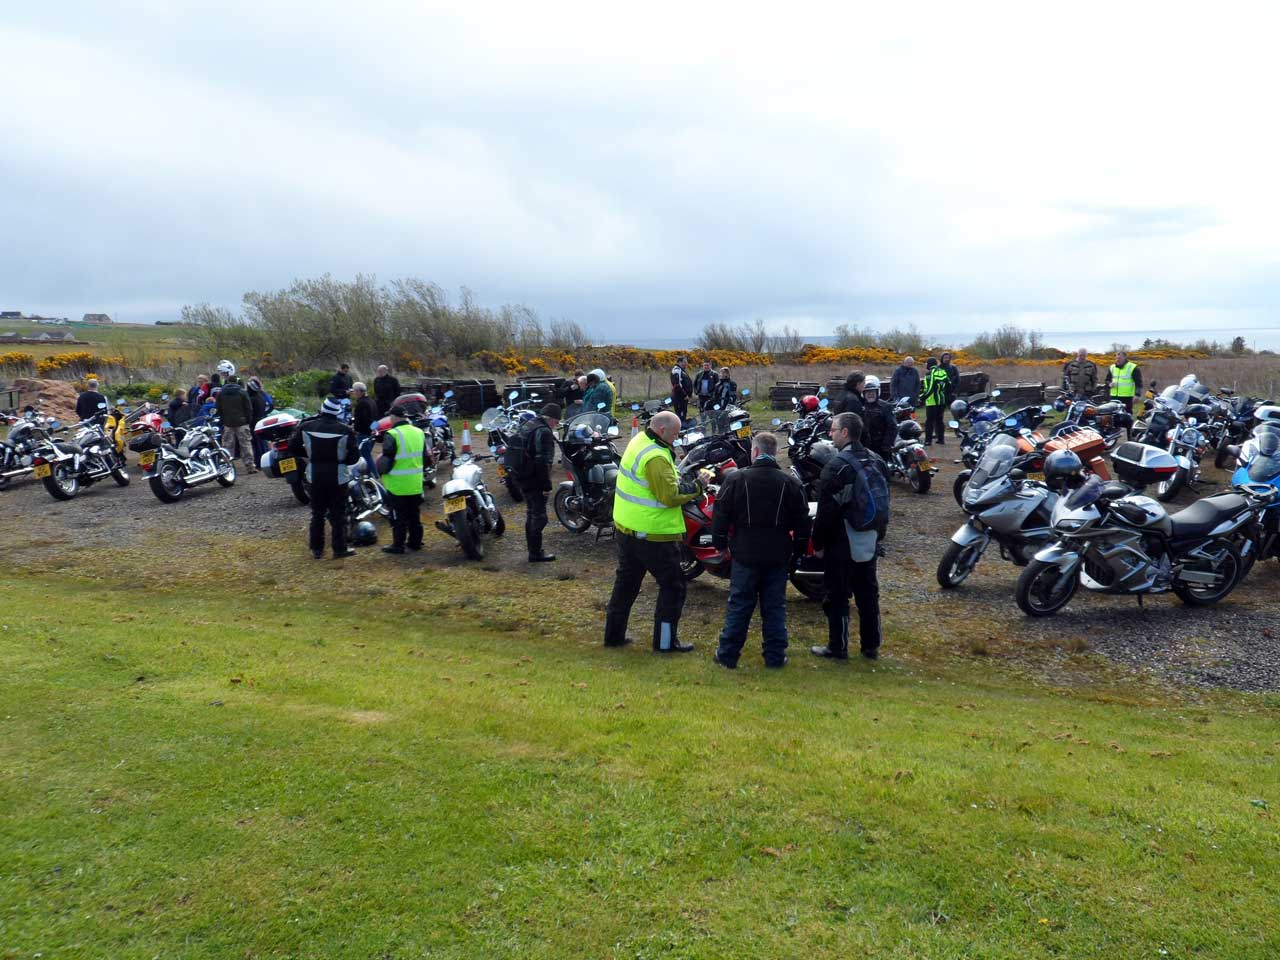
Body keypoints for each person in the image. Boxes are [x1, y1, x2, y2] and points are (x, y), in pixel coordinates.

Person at [604, 410, 709, 651]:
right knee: (673, 588)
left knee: (626, 585)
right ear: (662, 431)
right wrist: (698, 486)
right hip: (653, 535)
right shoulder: (657, 456)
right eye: (675, 433)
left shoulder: (640, 441)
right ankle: (665, 644)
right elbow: (670, 496)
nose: (677, 437)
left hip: (626, 528)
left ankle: (613, 637)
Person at [710, 432, 811, 669]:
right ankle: (774, 657)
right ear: (775, 453)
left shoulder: (736, 480)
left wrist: (720, 545)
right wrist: (797, 552)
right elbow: (803, 522)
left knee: (740, 604)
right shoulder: (790, 483)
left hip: (745, 553)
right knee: (774, 606)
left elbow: (720, 514)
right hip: (777, 553)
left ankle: (727, 655)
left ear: (754, 452)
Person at [810, 412, 889, 662]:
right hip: (870, 534)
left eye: (833, 430)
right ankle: (871, 646)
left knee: (837, 593)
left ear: (845, 432)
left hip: (842, 537)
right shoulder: (876, 460)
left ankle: (838, 647)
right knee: (868, 592)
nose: (830, 434)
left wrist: (818, 542)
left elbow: (826, 510)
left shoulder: (836, 466)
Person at [289, 397, 360, 559]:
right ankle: (339, 549)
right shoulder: (345, 430)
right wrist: (342, 461)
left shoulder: (306, 426)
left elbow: (292, 447)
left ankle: (317, 549)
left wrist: (309, 454)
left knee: (317, 513)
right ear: (338, 412)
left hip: (315, 474)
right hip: (338, 476)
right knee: (338, 514)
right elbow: (355, 457)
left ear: (322, 409)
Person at [514, 403, 561, 562]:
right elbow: (542, 462)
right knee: (539, 517)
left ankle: (533, 549)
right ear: (552, 419)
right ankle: (535, 553)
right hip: (534, 479)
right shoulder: (544, 432)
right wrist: (546, 486)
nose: (557, 425)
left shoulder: (529, 424)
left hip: (521, 475)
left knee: (531, 512)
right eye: (557, 422)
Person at [376, 404, 425, 554]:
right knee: (414, 514)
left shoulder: (393, 434)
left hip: (398, 484)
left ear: (394, 417)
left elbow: (387, 460)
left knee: (398, 517)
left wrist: (380, 470)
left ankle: (398, 545)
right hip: (415, 482)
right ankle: (415, 542)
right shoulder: (419, 432)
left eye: (390, 416)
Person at [215, 375, 257, 472]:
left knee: (227, 446)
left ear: (227, 381)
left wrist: (223, 420)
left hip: (228, 423)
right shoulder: (242, 392)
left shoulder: (221, 393)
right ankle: (250, 466)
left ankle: (227, 467)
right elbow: (248, 407)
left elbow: (218, 408)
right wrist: (248, 420)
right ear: (236, 381)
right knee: (246, 444)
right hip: (242, 422)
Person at [859, 376, 895, 460]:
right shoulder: (860, 406)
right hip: (865, 445)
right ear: (864, 394)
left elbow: (892, 426)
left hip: (881, 445)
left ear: (877, 392)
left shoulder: (885, 406)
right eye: (868, 392)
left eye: (872, 392)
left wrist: (886, 444)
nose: (870, 394)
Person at [350, 381, 378, 475]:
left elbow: (362, 420)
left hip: (364, 433)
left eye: (354, 391)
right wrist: (373, 429)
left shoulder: (362, 404)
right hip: (370, 432)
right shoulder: (372, 401)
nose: (353, 393)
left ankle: (375, 475)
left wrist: (355, 429)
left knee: (365, 456)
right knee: (365, 455)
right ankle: (369, 475)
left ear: (359, 392)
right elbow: (375, 418)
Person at [921, 357, 949, 446]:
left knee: (929, 421)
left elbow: (930, 389)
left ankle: (928, 440)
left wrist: (922, 397)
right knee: (939, 420)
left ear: (929, 364)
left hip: (932, 401)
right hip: (942, 400)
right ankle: (941, 439)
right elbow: (949, 384)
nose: (926, 365)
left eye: (926, 363)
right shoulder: (942, 371)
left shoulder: (930, 373)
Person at [669, 356, 693, 421]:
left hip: (682, 397)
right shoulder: (677, 370)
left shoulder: (681, 370)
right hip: (679, 397)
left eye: (686, 362)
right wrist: (685, 395)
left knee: (683, 413)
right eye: (684, 362)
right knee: (680, 415)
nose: (686, 364)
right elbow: (677, 385)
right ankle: (680, 429)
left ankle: (682, 428)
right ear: (679, 362)